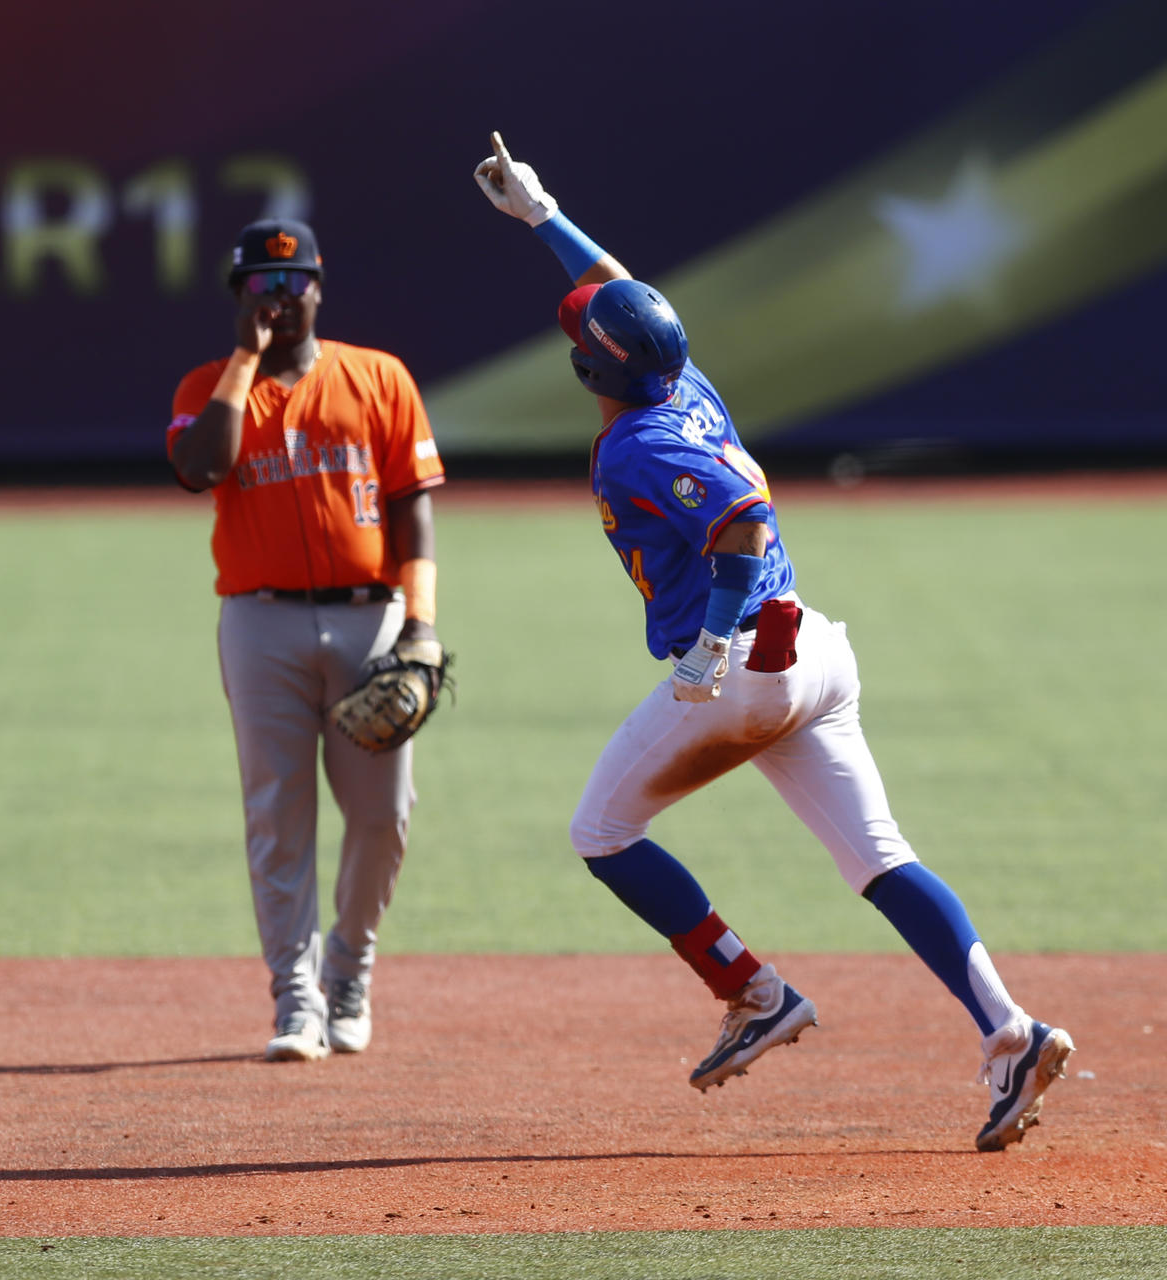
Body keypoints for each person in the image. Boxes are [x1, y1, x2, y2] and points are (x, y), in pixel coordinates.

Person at [472, 132, 1073, 1151]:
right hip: (815, 654)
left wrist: (709, 645)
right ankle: (1011, 1029)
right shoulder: (679, 376)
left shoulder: (637, 440)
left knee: (601, 834)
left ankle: (755, 991)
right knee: (882, 858)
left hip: (745, 664)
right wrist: (542, 215)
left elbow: (745, 518)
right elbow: (626, 296)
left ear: (584, 368)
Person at [166, 217, 447, 1062]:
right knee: (276, 815)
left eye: (293, 284)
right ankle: (295, 998)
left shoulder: (379, 377)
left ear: (320, 287)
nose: (280, 300)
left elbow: (413, 512)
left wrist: (423, 625)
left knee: (383, 814)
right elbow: (199, 469)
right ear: (239, 297)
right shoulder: (207, 388)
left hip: (372, 615)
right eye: (262, 285)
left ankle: (349, 965)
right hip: (260, 622)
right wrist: (245, 365)